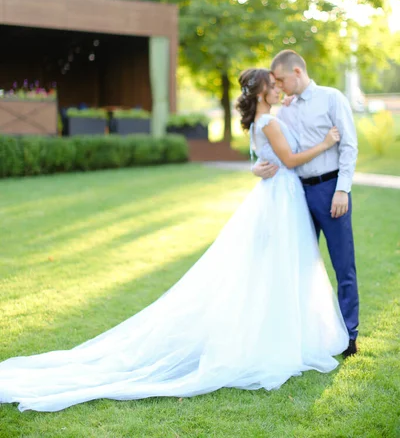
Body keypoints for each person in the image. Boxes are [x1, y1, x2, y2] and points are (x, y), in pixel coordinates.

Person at [0, 68, 348, 413]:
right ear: (260, 93)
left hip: (278, 196)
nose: (277, 90)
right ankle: (275, 338)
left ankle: (281, 333)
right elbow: (288, 159)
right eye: (272, 86)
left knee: (274, 268)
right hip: (281, 199)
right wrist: (326, 143)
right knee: (279, 266)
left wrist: (258, 164)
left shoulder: (266, 120)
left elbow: (263, 158)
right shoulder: (268, 123)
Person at [252, 50, 359, 358]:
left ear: (297, 72)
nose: (279, 87)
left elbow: (349, 145)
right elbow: (270, 150)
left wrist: (342, 189)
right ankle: (304, 333)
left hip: (330, 190)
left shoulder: (332, 98)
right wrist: (255, 168)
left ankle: (349, 334)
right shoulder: (282, 111)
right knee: (298, 264)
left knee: (343, 266)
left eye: (281, 80)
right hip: (296, 193)